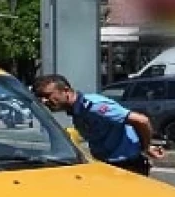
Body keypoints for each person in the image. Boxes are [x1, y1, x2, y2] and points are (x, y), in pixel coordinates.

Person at [32, 74, 165, 175]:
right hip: (109, 165)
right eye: (40, 97)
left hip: (125, 166)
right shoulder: (78, 111)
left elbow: (141, 121)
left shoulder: (93, 106)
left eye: (47, 95)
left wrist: (145, 147)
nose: (44, 101)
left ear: (66, 91)